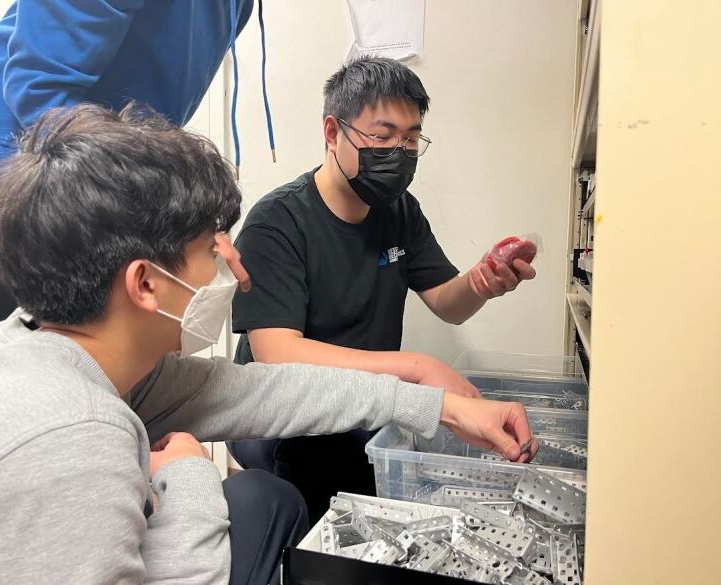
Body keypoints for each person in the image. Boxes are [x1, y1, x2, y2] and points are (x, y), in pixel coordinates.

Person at [0, 103, 536, 584]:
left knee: (259, 498)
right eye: (212, 247)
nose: (236, 266)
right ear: (145, 284)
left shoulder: (46, 351)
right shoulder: (73, 439)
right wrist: (190, 479)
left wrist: (441, 406)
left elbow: (263, 389)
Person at [229, 57, 538, 521]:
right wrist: (414, 367)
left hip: (363, 399)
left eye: (411, 138)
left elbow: (448, 304)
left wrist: (480, 283)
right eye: (382, 135)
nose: (399, 150)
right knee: (343, 484)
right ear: (333, 132)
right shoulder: (277, 222)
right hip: (281, 414)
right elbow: (276, 353)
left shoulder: (400, 211)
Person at [0, 0, 265, 328]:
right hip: (18, 151)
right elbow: (38, 88)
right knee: (43, 354)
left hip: (107, 154)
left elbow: (149, 114)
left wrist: (192, 224)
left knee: (121, 344)